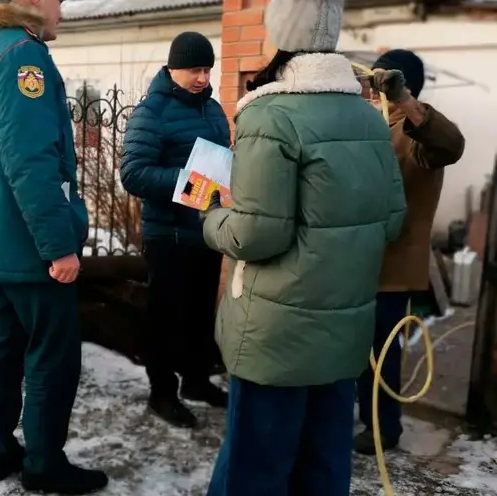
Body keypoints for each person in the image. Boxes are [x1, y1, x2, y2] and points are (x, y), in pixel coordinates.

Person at [201, 0, 407, 493]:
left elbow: (257, 233)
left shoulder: (271, 115)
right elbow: (393, 219)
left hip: (277, 336)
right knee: (323, 468)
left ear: (277, 30)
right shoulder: (369, 118)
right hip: (342, 335)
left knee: (255, 470)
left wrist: (211, 219)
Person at [0, 0, 108, 493]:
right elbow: (32, 163)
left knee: (1, 347)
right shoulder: (22, 54)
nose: (62, 7)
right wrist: (58, 246)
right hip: (27, 244)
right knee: (51, 355)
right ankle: (43, 464)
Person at [355, 49, 466, 455]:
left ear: (404, 85)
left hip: (392, 266)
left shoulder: (417, 129)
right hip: (353, 261)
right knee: (352, 348)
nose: (372, 90)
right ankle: (358, 410)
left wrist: (404, 100)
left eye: (381, 83)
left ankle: (383, 428)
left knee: (382, 353)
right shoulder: (367, 123)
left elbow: (451, 145)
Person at [120, 32, 231, 429]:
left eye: (206, 69)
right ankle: (162, 394)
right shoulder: (152, 112)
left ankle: (197, 382)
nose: (202, 77)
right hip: (167, 236)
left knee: (201, 315)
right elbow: (133, 174)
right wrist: (190, 183)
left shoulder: (214, 110)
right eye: (194, 70)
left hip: (206, 232)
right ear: (172, 68)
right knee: (166, 319)